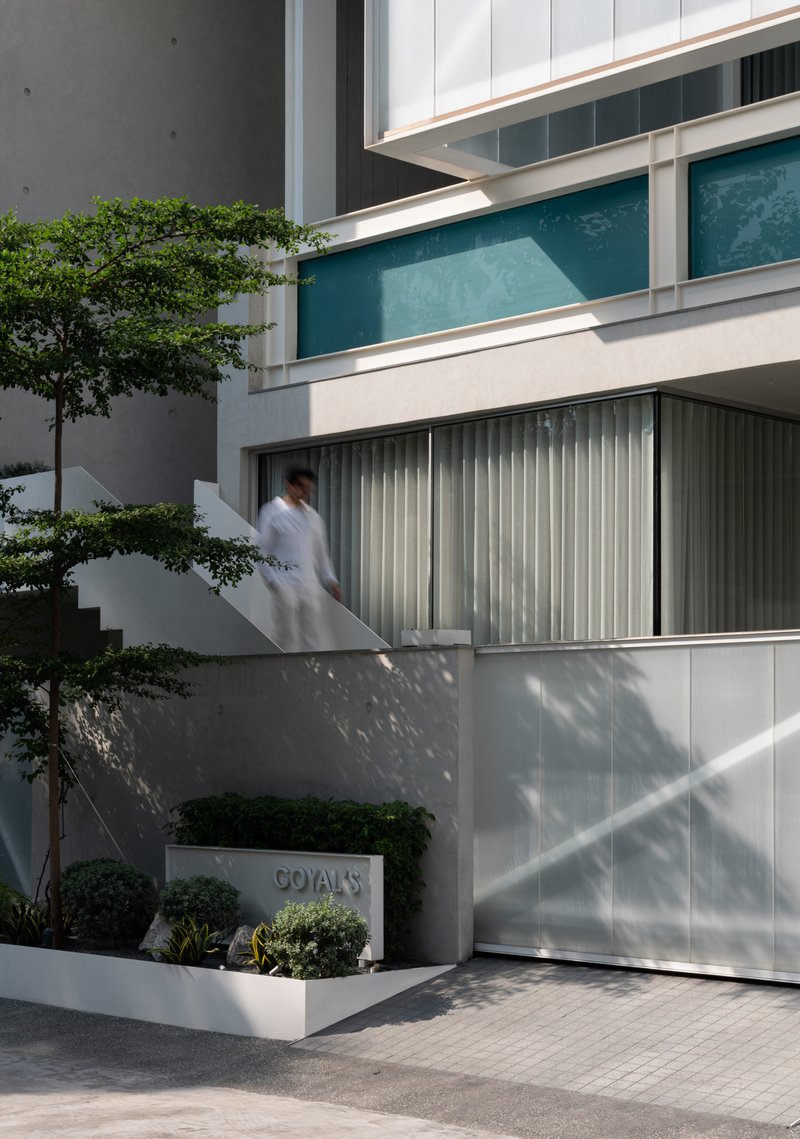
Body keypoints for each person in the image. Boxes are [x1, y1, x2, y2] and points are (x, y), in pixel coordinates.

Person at [256, 467, 342, 652]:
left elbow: (321, 554)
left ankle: (311, 676)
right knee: (285, 635)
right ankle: (283, 675)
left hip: (309, 584)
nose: (306, 492)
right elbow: (261, 551)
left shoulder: (313, 517)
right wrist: (273, 582)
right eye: (302, 487)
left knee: (312, 636)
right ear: (289, 485)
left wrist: (331, 580)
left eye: (309, 488)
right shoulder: (272, 512)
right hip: (284, 582)